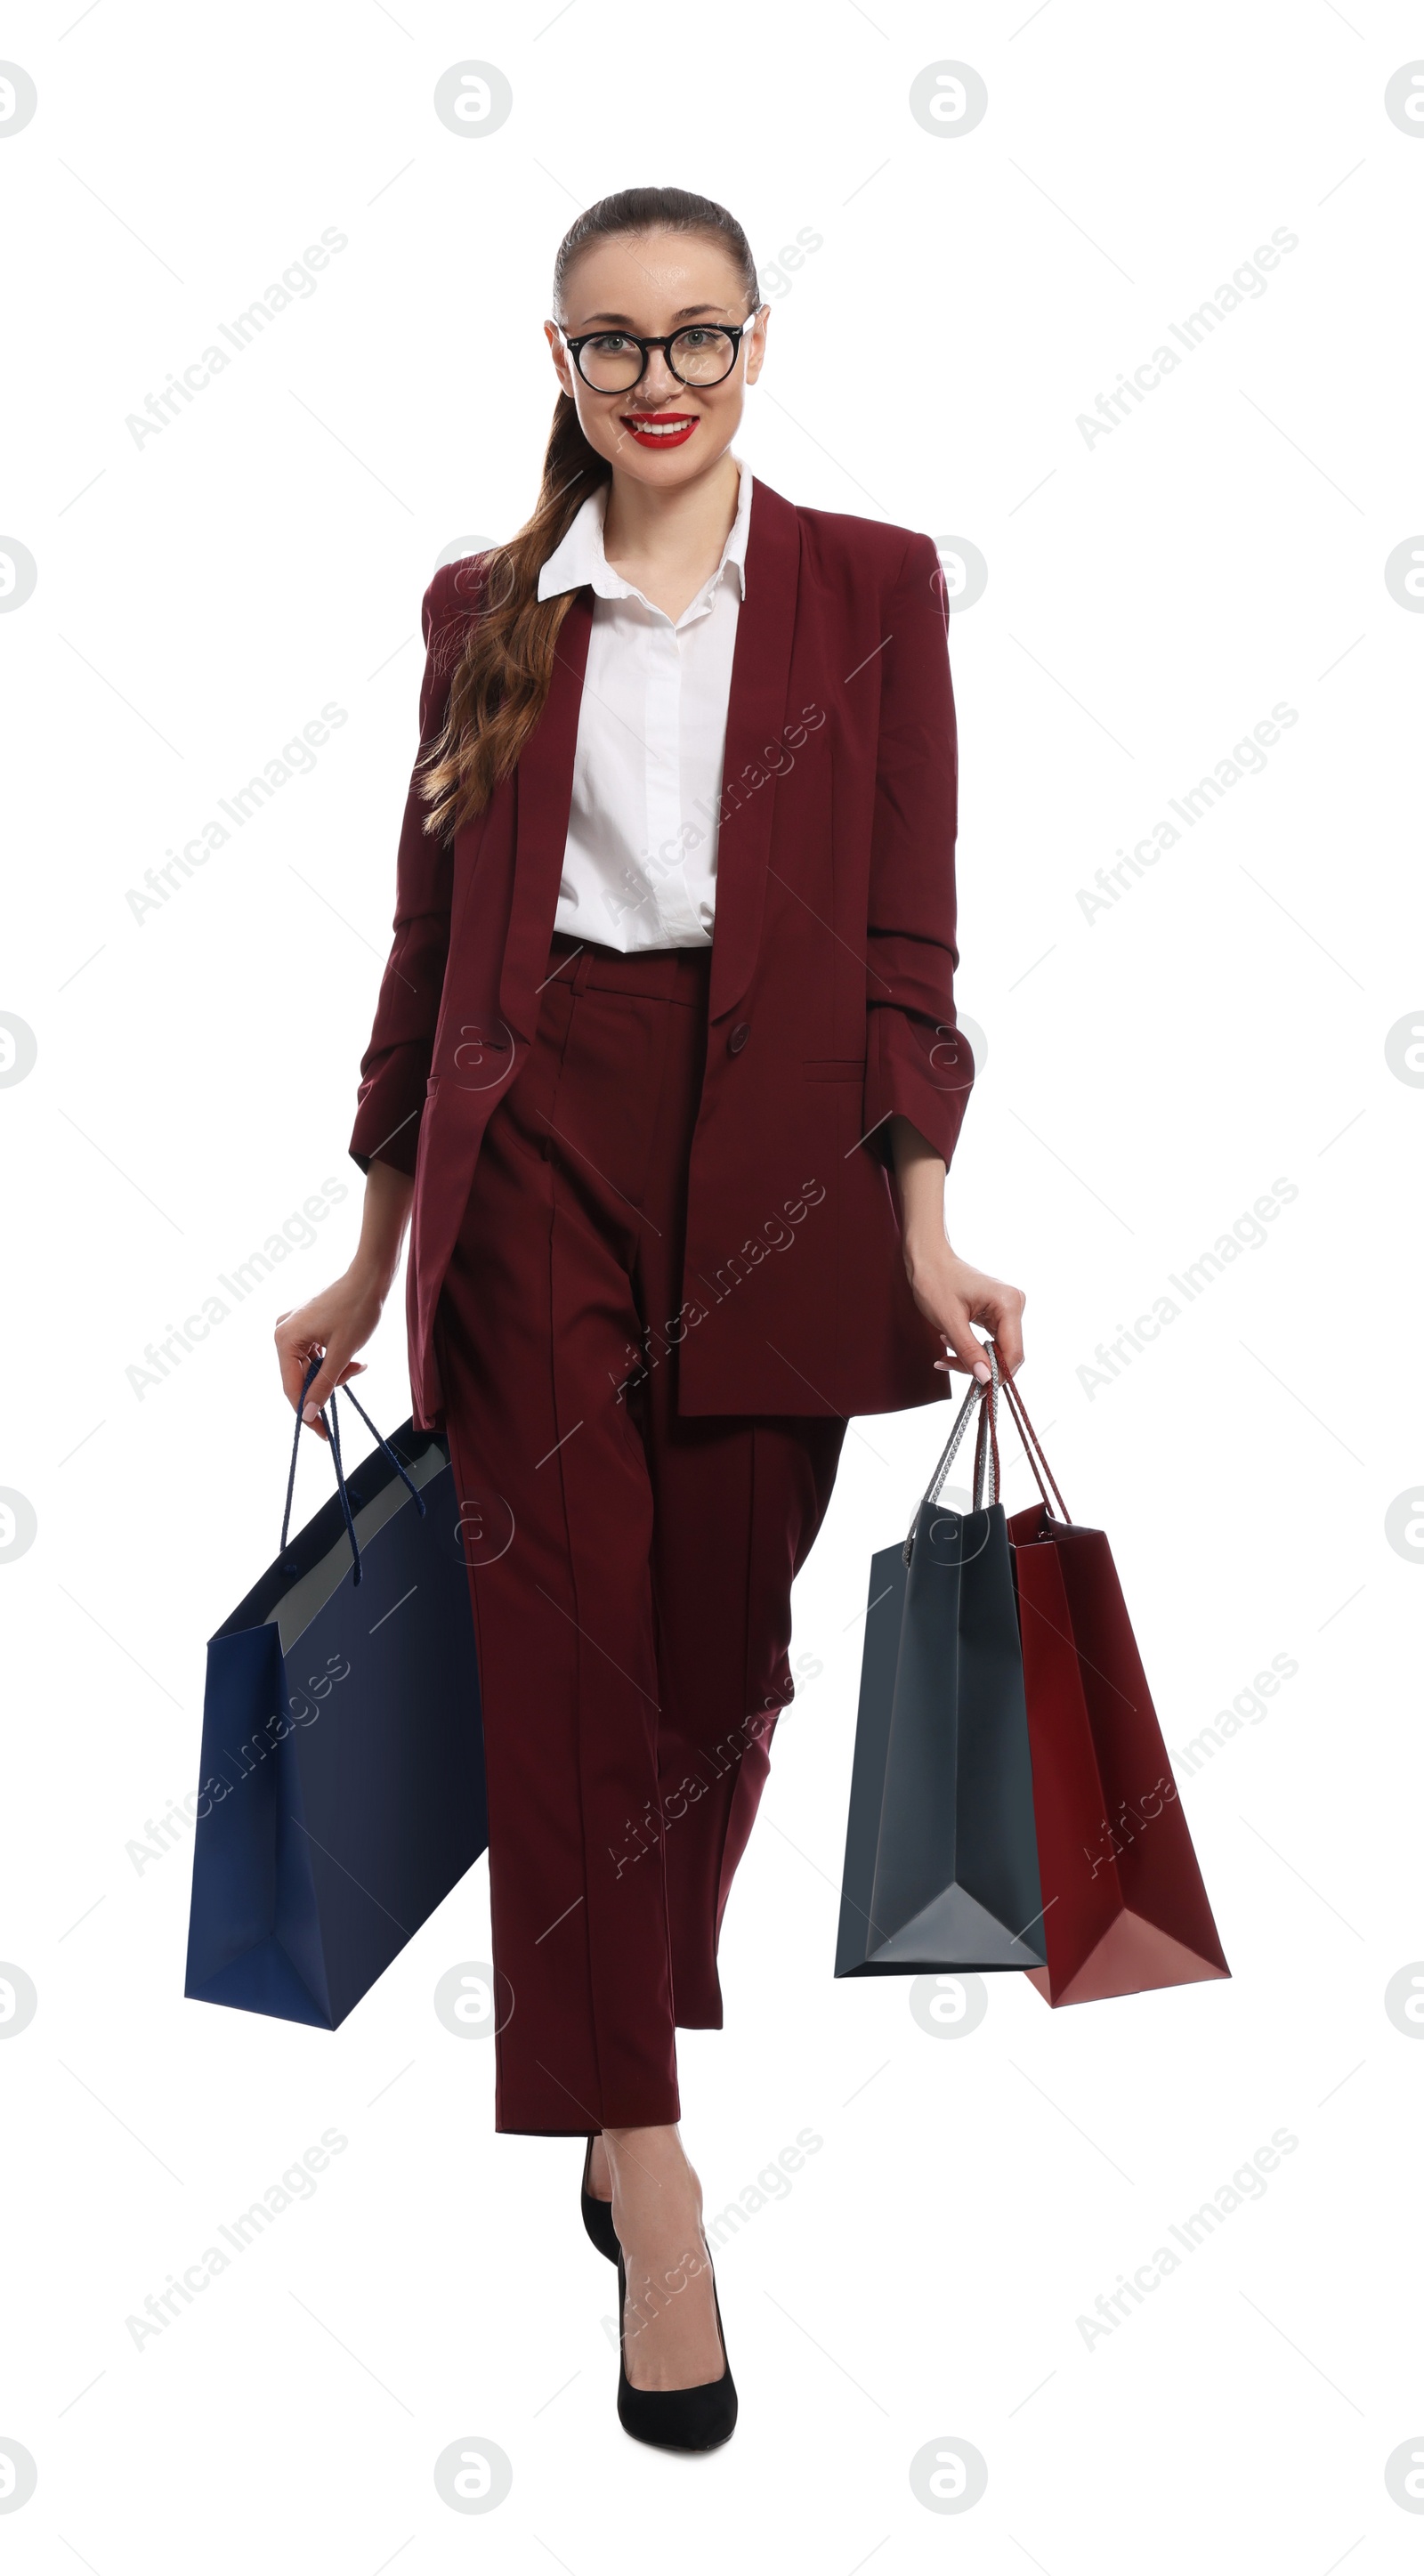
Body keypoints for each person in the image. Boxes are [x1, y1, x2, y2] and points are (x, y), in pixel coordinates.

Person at [276, 184, 1025, 2453]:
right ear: (559, 361)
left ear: (759, 344)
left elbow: (911, 944)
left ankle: (617, 2042)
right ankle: (646, 2158)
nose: (659, 380)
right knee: (566, 1651)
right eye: (613, 345)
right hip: (535, 1175)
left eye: (697, 335)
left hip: (788, 1165)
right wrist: (361, 1241)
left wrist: (924, 1223)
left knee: (718, 1663)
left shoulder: (872, 588)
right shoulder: (485, 611)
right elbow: (427, 951)